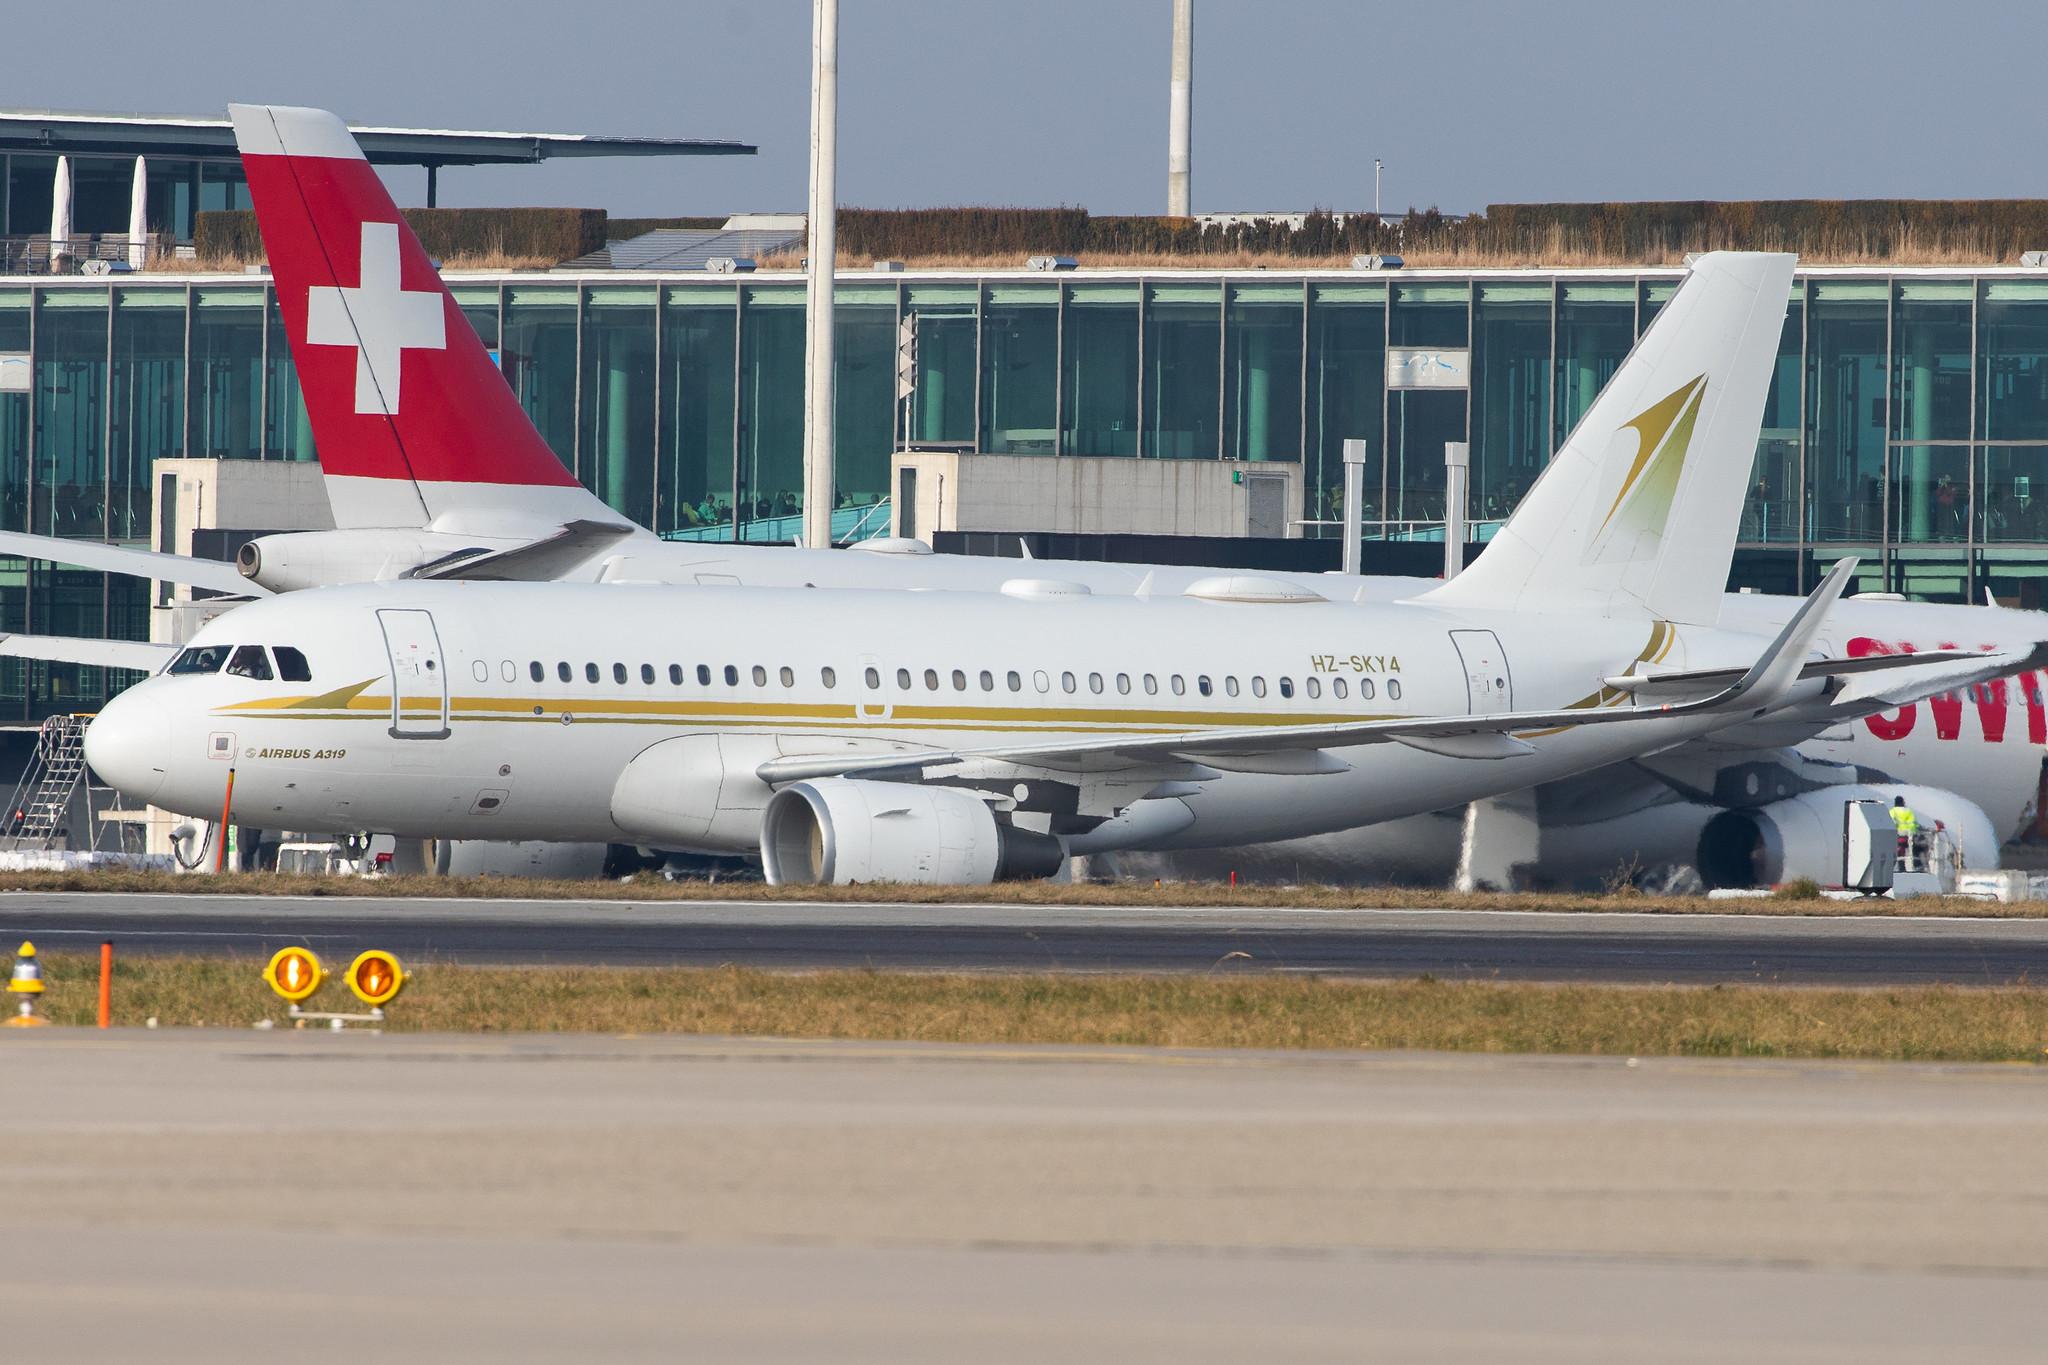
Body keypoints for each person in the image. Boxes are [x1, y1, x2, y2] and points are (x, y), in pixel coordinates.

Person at [1890, 796, 1919, 870]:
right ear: (1903, 802)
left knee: (1899, 854)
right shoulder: (1908, 811)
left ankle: (1900, 868)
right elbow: (1914, 823)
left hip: (1898, 836)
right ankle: (1915, 866)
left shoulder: (1892, 811)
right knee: (1912, 853)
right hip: (1908, 836)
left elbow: (1891, 823)